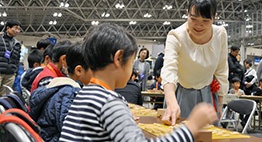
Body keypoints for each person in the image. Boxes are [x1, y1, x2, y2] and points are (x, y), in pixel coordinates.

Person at [59, 23, 218, 142]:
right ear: (118, 58)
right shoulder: (109, 103)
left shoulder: (83, 94)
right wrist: (191, 128)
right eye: (131, 61)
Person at [161, 0, 229, 125]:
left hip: (208, 95)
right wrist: (171, 102)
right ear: (187, 13)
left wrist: (220, 103)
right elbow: (169, 70)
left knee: (209, 136)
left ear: (214, 17)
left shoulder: (220, 33)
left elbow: (221, 70)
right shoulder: (175, 36)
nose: (199, 25)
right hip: (180, 95)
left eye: (205, 20)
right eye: (193, 19)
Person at [30, 42, 92, 142]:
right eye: (94, 69)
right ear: (79, 71)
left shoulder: (62, 84)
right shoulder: (69, 93)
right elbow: (71, 133)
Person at [0, 19, 22, 96]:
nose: (17, 31)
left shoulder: (17, 44)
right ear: (8, 28)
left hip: (10, 74)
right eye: (15, 28)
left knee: (5, 96)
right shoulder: (0, 38)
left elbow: (17, 59)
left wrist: (15, 72)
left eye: (19, 29)